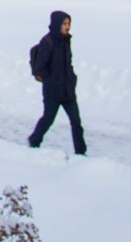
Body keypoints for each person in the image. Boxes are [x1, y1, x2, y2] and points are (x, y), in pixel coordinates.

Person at [27, 10, 86, 155]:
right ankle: (34, 140)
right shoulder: (47, 42)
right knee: (48, 119)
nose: (67, 27)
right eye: (64, 24)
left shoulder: (66, 41)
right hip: (53, 91)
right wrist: (52, 81)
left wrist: (71, 78)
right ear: (56, 24)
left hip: (67, 91)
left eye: (69, 23)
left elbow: (68, 63)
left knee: (76, 122)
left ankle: (81, 152)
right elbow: (41, 67)